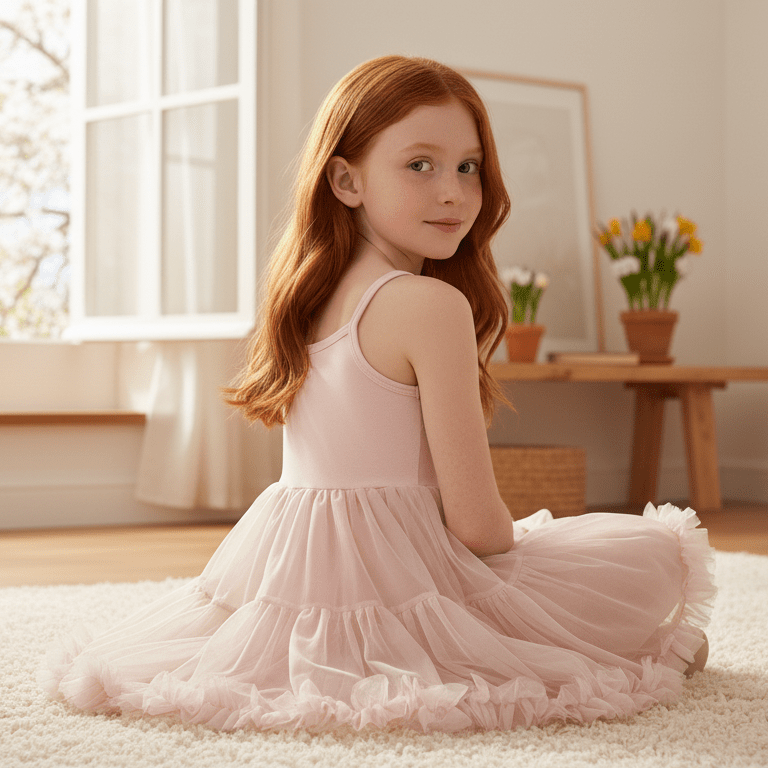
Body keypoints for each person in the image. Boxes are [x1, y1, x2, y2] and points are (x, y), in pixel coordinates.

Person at [40, 55, 715, 733]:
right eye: (420, 165)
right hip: (406, 571)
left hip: (289, 565)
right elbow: (478, 529)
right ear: (346, 179)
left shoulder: (307, 298)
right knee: (648, 552)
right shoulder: (430, 306)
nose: (453, 192)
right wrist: (531, 549)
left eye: (468, 167)